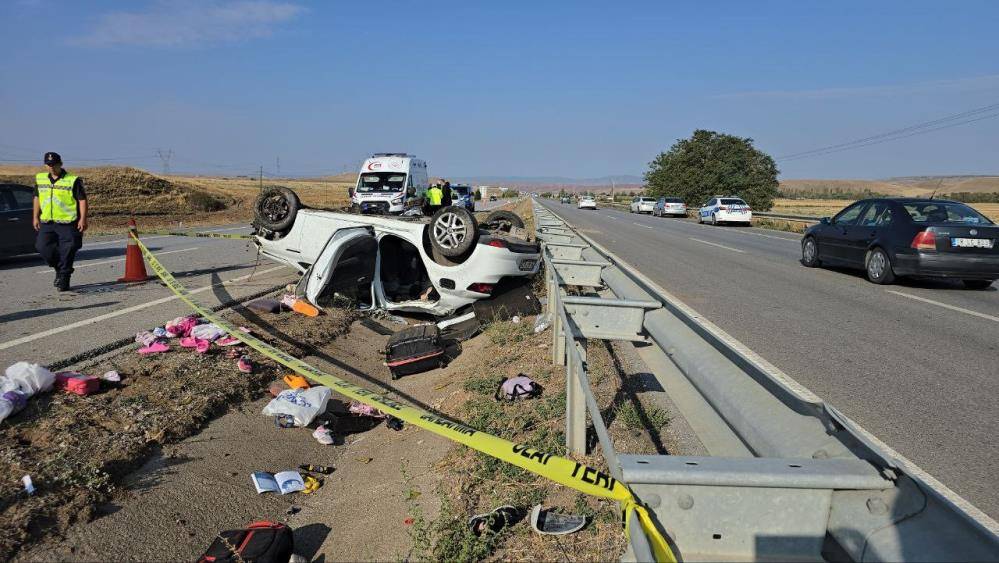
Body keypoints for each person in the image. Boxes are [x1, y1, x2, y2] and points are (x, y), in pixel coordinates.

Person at [34, 152, 87, 291]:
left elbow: (82, 200)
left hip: (68, 222)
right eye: (48, 164)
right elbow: (37, 198)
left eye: (54, 164)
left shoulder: (72, 180)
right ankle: (59, 268)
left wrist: (82, 218)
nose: (51, 167)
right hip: (47, 221)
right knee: (42, 248)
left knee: (68, 250)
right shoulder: (40, 179)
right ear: (45, 165)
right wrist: (35, 216)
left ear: (60, 164)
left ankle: (64, 277)